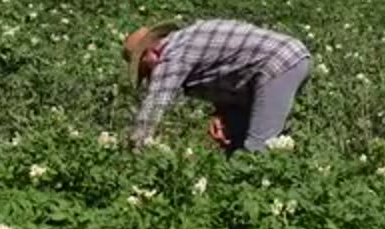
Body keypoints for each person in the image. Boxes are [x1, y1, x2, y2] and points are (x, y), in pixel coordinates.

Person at [121, 18, 312, 153]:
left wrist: (133, 151)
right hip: (286, 60)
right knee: (235, 140)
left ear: (151, 53)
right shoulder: (186, 42)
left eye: (147, 70)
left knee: (257, 151)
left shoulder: (172, 53)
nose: (151, 77)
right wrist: (222, 114)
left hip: (278, 64)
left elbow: (154, 107)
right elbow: (231, 70)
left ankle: (262, 200)